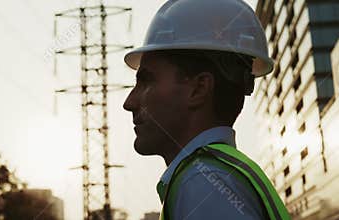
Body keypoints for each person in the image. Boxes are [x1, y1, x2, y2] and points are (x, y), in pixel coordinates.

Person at [123, 0, 291, 219]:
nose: (129, 102)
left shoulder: (203, 183)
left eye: (146, 81)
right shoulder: (217, 176)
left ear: (199, 88)